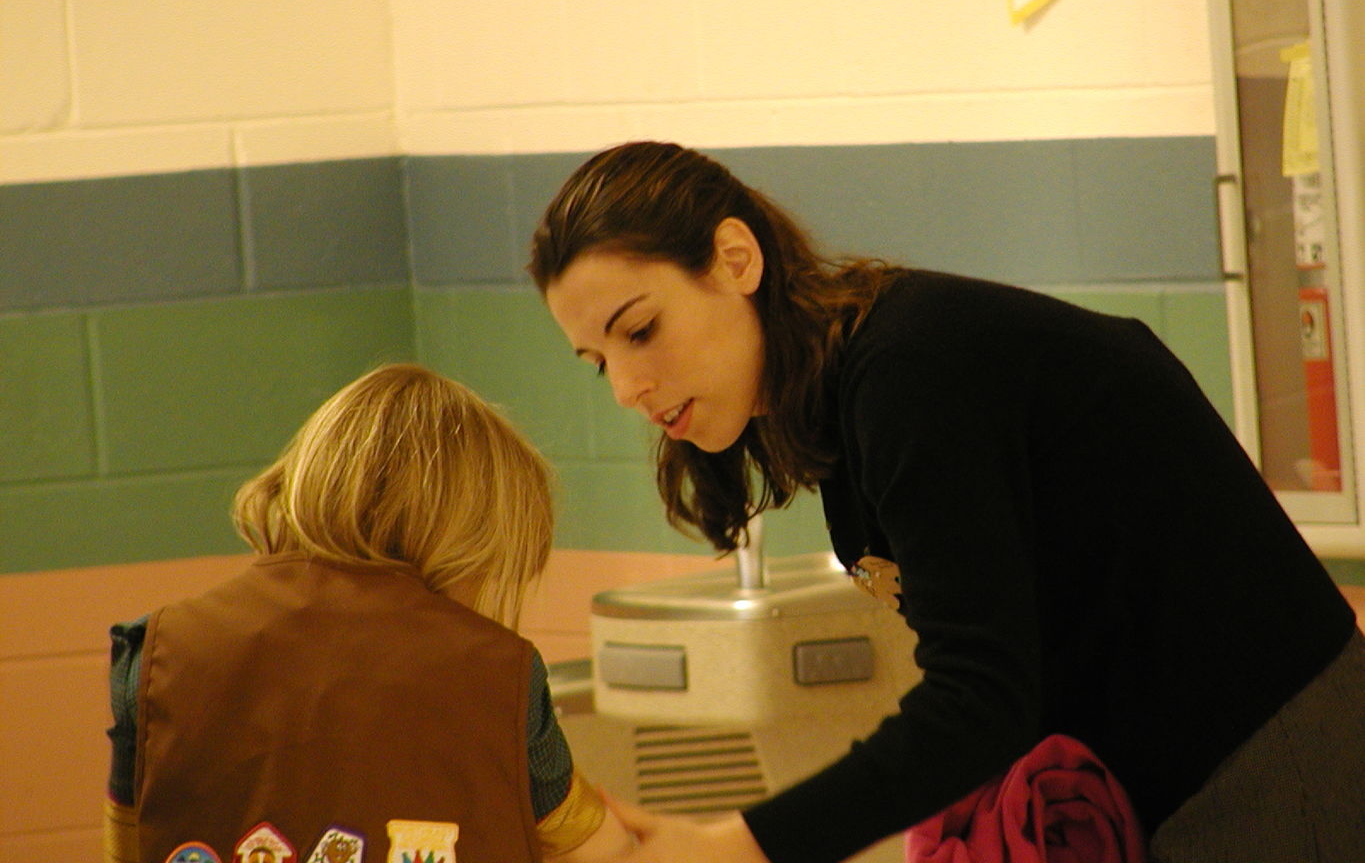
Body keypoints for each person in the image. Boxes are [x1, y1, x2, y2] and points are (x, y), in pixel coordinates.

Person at [528, 140, 1365, 863]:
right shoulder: (844, 399)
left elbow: (980, 699)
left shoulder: (910, 369)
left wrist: (741, 843)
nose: (628, 387)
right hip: (1167, 774)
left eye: (639, 330)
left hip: (1270, 754)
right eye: (597, 360)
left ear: (736, 259)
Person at [104, 363, 634, 863]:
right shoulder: (497, 670)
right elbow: (596, 851)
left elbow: (127, 846)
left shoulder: (157, 650)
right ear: (466, 541)